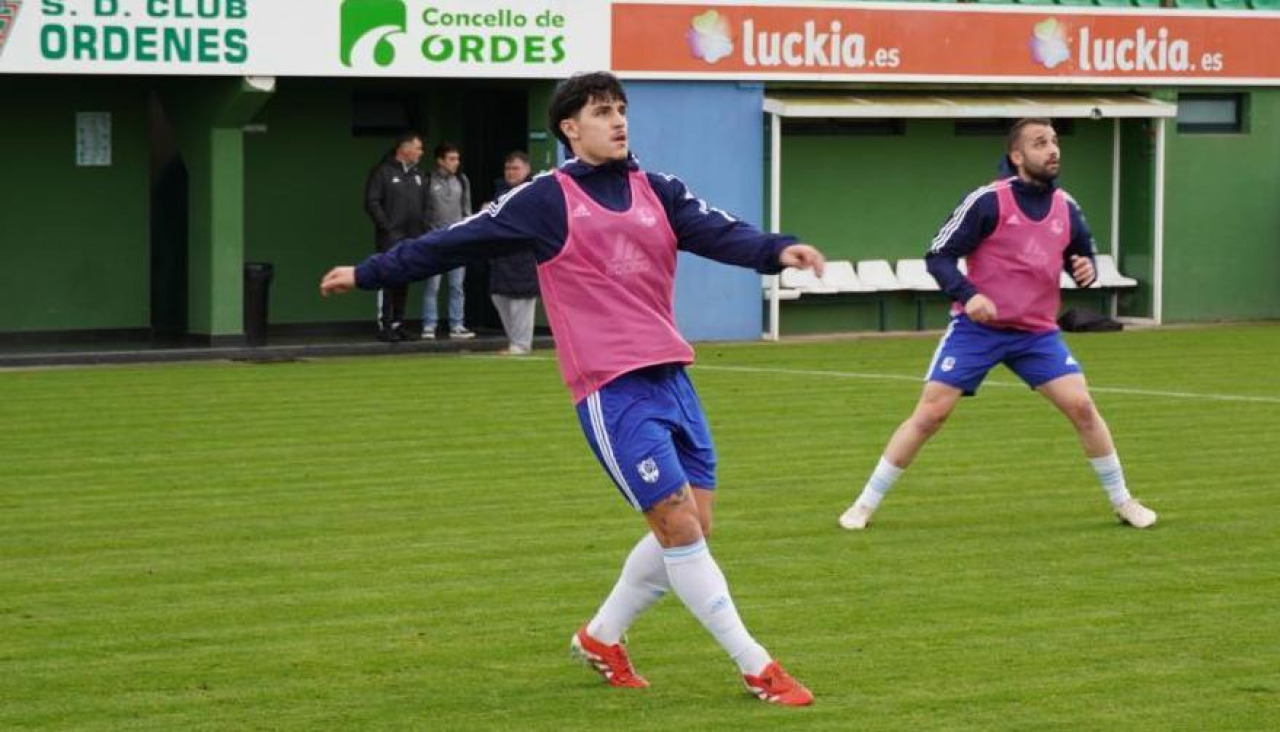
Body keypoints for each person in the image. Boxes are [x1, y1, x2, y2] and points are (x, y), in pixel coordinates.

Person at [321, 71, 824, 705]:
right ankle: (757, 667)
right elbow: (453, 242)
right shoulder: (543, 200)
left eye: (621, 110)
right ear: (569, 128)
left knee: (692, 525)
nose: (618, 121)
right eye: (601, 112)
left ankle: (601, 636)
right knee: (678, 527)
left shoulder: (658, 189)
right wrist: (368, 273)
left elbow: (721, 231)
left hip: (672, 378)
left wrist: (780, 250)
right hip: (611, 390)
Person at [838, 118, 1157, 532]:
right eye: (1040, 143)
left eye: (1055, 142)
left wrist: (1085, 268)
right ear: (1017, 156)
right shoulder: (987, 201)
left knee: (1082, 407)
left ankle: (1123, 501)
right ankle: (863, 504)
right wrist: (969, 295)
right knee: (931, 415)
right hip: (978, 332)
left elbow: (1082, 256)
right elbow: (937, 255)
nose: (1053, 150)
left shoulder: (1067, 207)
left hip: (1037, 334)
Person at [364, 131, 427, 342]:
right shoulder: (382, 172)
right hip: (390, 237)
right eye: (417, 148)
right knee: (387, 277)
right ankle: (385, 325)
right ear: (404, 148)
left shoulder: (418, 174)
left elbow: (424, 206)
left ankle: (399, 323)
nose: (421, 152)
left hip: (412, 237)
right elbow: (372, 202)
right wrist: (386, 227)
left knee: (404, 278)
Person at [421, 142, 475, 340]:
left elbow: (466, 210)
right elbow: (422, 211)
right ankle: (429, 325)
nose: (456, 163)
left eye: (457, 159)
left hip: (457, 241)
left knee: (457, 286)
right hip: (434, 241)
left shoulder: (462, 179)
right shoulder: (427, 180)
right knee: (432, 286)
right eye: (451, 159)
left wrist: (467, 234)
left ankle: (457, 325)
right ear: (440, 161)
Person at [486, 151, 538, 355]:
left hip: (523, 256)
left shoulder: (533, 192)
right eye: (508, 168)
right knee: (499, 298)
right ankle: (515, 342)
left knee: (521, 302)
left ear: (526, 169)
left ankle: (521, 345)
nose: (511, 172)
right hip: (500, 258)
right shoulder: (500, 192)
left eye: (515, 168)